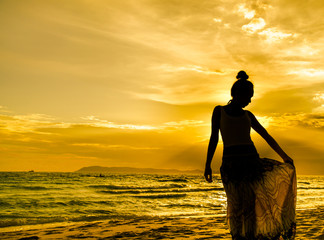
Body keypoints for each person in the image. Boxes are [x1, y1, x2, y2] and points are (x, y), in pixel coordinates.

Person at [204, 71, 297, 240]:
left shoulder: (248, 115)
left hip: (250, 163)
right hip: (231, 166)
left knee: (250, 206)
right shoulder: (219, 111)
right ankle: (238, 237)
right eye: (249, 96)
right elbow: (213, 138)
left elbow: (266, 135)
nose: (250, 100)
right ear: (237, 94)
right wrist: (207, 164)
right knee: (235, 206)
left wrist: (284, 157)